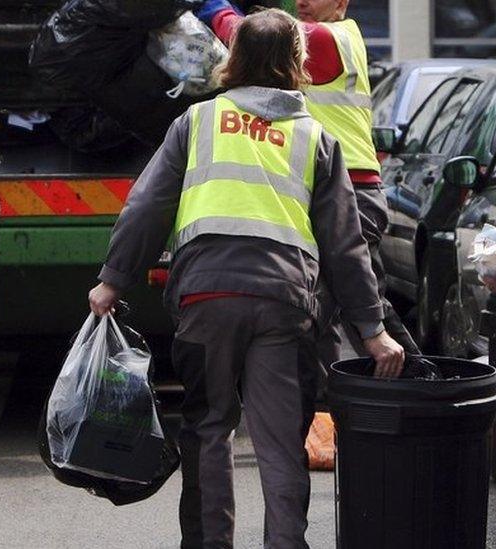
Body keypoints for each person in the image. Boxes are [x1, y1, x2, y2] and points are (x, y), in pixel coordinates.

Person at [88, 10, 404, 548]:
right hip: (285, 304)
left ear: (233, 61)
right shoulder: (318, 139)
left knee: (209, 430)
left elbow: (147, 207)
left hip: (207, 298)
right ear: (298, 64)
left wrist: (114, 281)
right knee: (281, 443)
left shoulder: (198, 121)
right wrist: (372, 329)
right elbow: (345, 247)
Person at [196, 0, 420, 389]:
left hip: (350, 193)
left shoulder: (329, 38)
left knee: (360, 304)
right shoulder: (331, 35)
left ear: (341, 3)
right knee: (323, 313)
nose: (302, 1)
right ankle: (326, 410)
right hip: (327, 187)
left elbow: (250, 36)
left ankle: (421, 384)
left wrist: (213, 6)